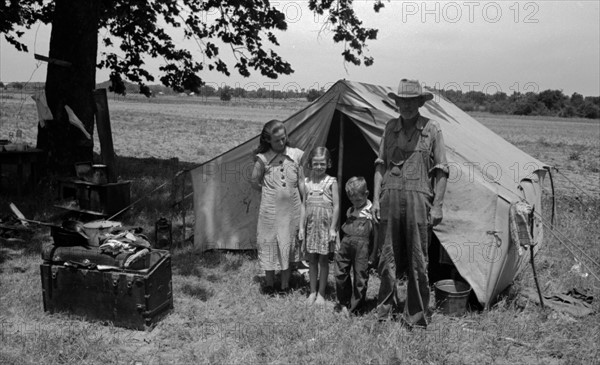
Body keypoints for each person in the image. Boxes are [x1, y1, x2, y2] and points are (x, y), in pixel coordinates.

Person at [373, 79, 449, 328]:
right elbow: (380, 165)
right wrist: (375, 199)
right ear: (397, 103)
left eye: (411, 102)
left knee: (418, 258)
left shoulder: (432, 129)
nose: (405, 106)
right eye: (401, 102)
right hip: (390, 198)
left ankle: (415, 316)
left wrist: (437, 206)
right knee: (387, 256)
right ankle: (384, 310)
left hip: (419, 200)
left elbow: (441, 171)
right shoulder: (390, 127)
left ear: (419, 103)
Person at [251, 120, 305, 295]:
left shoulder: (296, 155)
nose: (281, 143)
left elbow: (301, 181)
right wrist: (269, 192)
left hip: (292, 210)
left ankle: (284, 284)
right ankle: (269, 284)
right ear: (268, 141)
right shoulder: (263, 159)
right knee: (269, 243)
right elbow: (254, 181)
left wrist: (305, 200)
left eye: (284, 138)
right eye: (277, 140)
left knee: (287, 243)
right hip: (270, 211)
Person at [298, 147, 339, 305]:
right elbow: (303, 205)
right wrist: (301, 227)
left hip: (324, 228)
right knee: (312, 260)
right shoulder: (307, 183)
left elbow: (336, 206)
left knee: (323, 261)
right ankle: (312, 291)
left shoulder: (331, 181)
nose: (319, 167)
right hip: (311, 228)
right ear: (310, 164)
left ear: (328, 163)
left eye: (322, 163)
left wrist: (333, 228)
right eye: (316, 163)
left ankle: (321, 293)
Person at [334, 176, 378, 315]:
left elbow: (376, 234)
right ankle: (344, 302)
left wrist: (373, 253)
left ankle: (355, 308)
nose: (355, 202)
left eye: (358, 199)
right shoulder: (350, 211)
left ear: (366, 194)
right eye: (352, 199)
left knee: (360, 278)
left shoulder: (372, 211)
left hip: (362, 250)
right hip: (346, 246)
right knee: (340, 273)